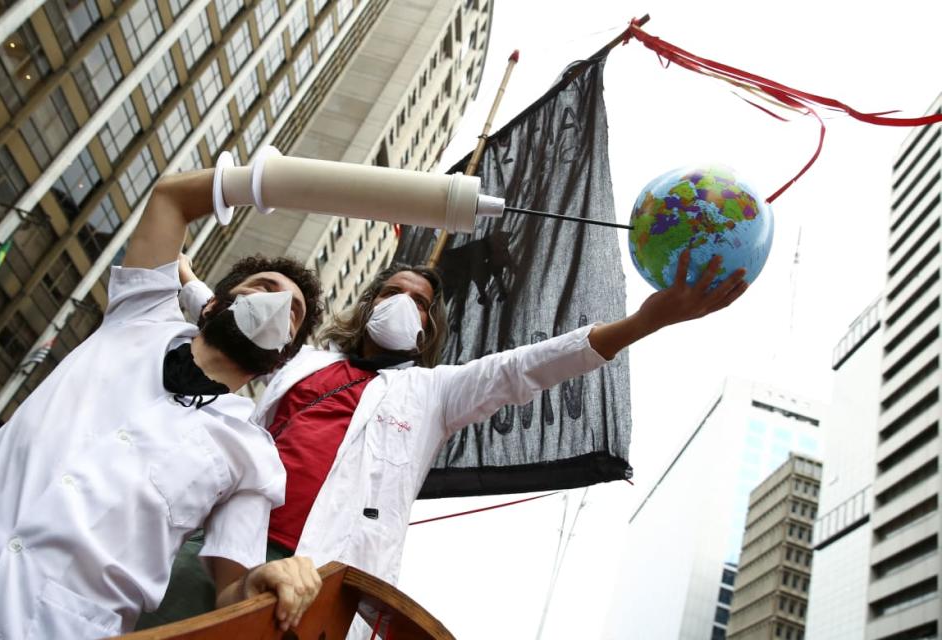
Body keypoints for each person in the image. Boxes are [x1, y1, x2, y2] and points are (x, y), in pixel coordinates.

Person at [157, 247, 746, 635]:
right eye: (392, 292)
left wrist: (644, 323)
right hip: (223, 548)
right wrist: (176, 263)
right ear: (369, 305)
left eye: (419, 301)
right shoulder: (299, 359)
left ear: (431, 325)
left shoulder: (438, 392)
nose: (403, 305)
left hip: (325, 581)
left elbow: (529, 367)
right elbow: (220, 314)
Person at [0, 170, 326, 639]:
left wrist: (266, 582)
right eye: (265, 286)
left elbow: (232, 593)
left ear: (283, 354)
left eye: (293, 310)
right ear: (213, 302)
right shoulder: (139, 314)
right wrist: (270, 181)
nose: (279, 301)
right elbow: (169, 197)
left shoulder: (254, 457)